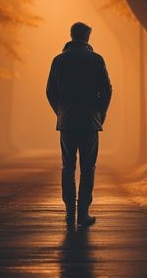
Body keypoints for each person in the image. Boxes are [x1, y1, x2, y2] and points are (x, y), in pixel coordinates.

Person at [46, 22, 112, 226]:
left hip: (67, 122)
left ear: (71, 35)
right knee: (88, 168)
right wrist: (101, 114)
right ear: (87, 37)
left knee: (67, 167)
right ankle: (83, 213)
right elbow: (107, 90)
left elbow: (50, 91)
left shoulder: (58, 61)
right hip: (90, 122)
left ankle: (69, 212)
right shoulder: (97, 60)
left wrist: (61, 112)